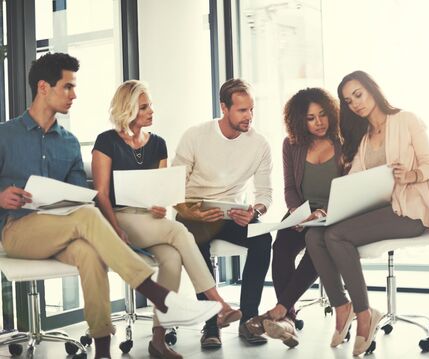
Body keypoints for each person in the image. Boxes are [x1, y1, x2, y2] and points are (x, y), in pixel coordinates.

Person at [0, 53, 220, 359]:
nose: (74, 95)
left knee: (91, 255)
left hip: (65, 229)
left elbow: (80, 194)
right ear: (43, 87)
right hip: (18, 230)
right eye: (67, 87)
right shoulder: (5, 134)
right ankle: (159, 295)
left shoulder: (69, 142)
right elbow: (91, 207)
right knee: (89, 217)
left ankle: (102, 351)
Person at [92, 79, 242, 358]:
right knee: (179, 233)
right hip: (119, 218)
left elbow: (161, 194)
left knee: (172, 259)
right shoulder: (106, 141)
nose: (151, 111)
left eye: (151, 105)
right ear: (128, 109)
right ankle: (218, 304)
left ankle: (158, 341)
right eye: (144, 106)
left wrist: (159, 207)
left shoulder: (158, 143)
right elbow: (101, 195)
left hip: (149, 221)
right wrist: (115, 231)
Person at [305, 70, 429, 356]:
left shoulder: (406, 120)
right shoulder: (364, 137)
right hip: (379, 211)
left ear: (372, 90)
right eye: (348, 101)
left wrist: (411, 175)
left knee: (336, 236)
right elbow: (354, 182)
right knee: (315, 235)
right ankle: (342, 306)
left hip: (408, 212)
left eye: (358, 94)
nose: (355, 104)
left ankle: (364, 313)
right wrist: (330, 209)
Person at [172, 78, 273, 348]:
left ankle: (248, 320)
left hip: (233, 214)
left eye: (251, 109)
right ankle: (210, 325)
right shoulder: (195, 136)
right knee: (196, 242)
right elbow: (173, 188)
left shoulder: (259, 144)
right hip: (195, 213)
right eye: (242, 110)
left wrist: (254, 211)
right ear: (224, 108)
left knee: (263, 239)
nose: (249, 116)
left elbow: (265, 195)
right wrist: (192, 212)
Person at [245, 88, 343, 347]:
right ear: (301, 121)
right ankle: (287, 318)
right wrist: (300, 213)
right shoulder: (292, 144)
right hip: (303, 210)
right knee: (281, 246)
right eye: (311, 118)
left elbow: (353, 187)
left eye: (322, 115)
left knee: (315, 245)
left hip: (336, 213)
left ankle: (281, 313)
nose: (319, 122)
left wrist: (325, 213)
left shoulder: (344, 141)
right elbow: (289, 188)